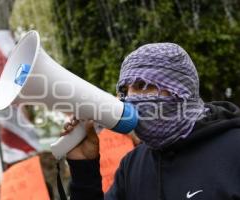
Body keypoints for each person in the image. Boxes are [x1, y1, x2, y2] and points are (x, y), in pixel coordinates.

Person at [61, 43, 240, 200]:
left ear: (180, 89)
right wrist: (83, 166)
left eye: (142, 86)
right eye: (125, 90)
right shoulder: (132, 165)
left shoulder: (234, 149)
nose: (129, 98)